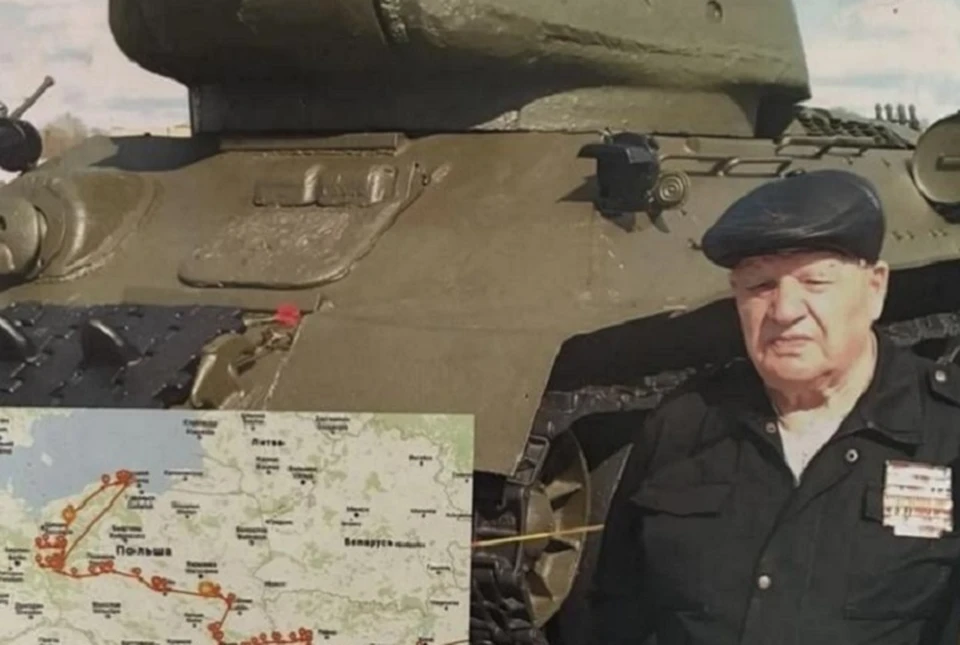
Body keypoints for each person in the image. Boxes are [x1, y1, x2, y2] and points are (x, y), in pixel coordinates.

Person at [588, 169, 960, 645]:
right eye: (760, 285)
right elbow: (617, 606)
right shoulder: (684, 424)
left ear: (875, 288)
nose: (784, 310)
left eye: (816, 281)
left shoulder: (947, 431)